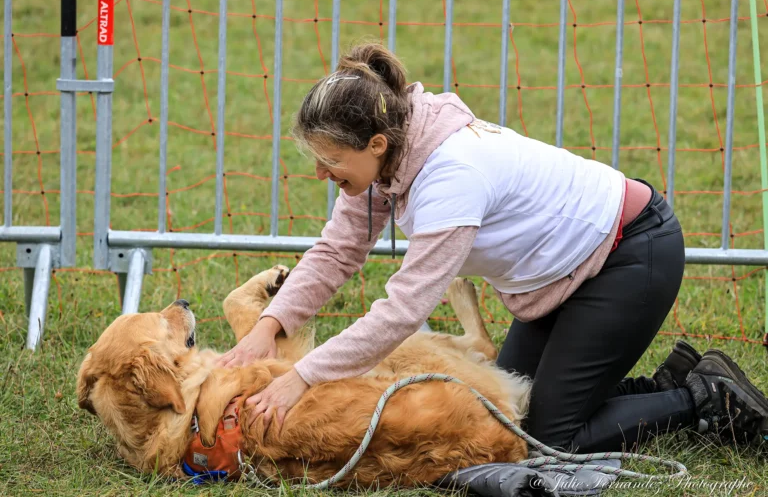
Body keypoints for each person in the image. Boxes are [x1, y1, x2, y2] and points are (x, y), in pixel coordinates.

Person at [217, 42, 768, 453]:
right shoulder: (388, 160)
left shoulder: (450, 176)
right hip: (561, 279)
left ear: (377, 144)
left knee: (544, 437)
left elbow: (405, 310)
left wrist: (304, 375)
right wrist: (270, 325)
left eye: (330, 161)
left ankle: (703, 398)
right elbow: (338, 252)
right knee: (502, 407)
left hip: (629, 256)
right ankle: (668, 382)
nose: (319, 173)